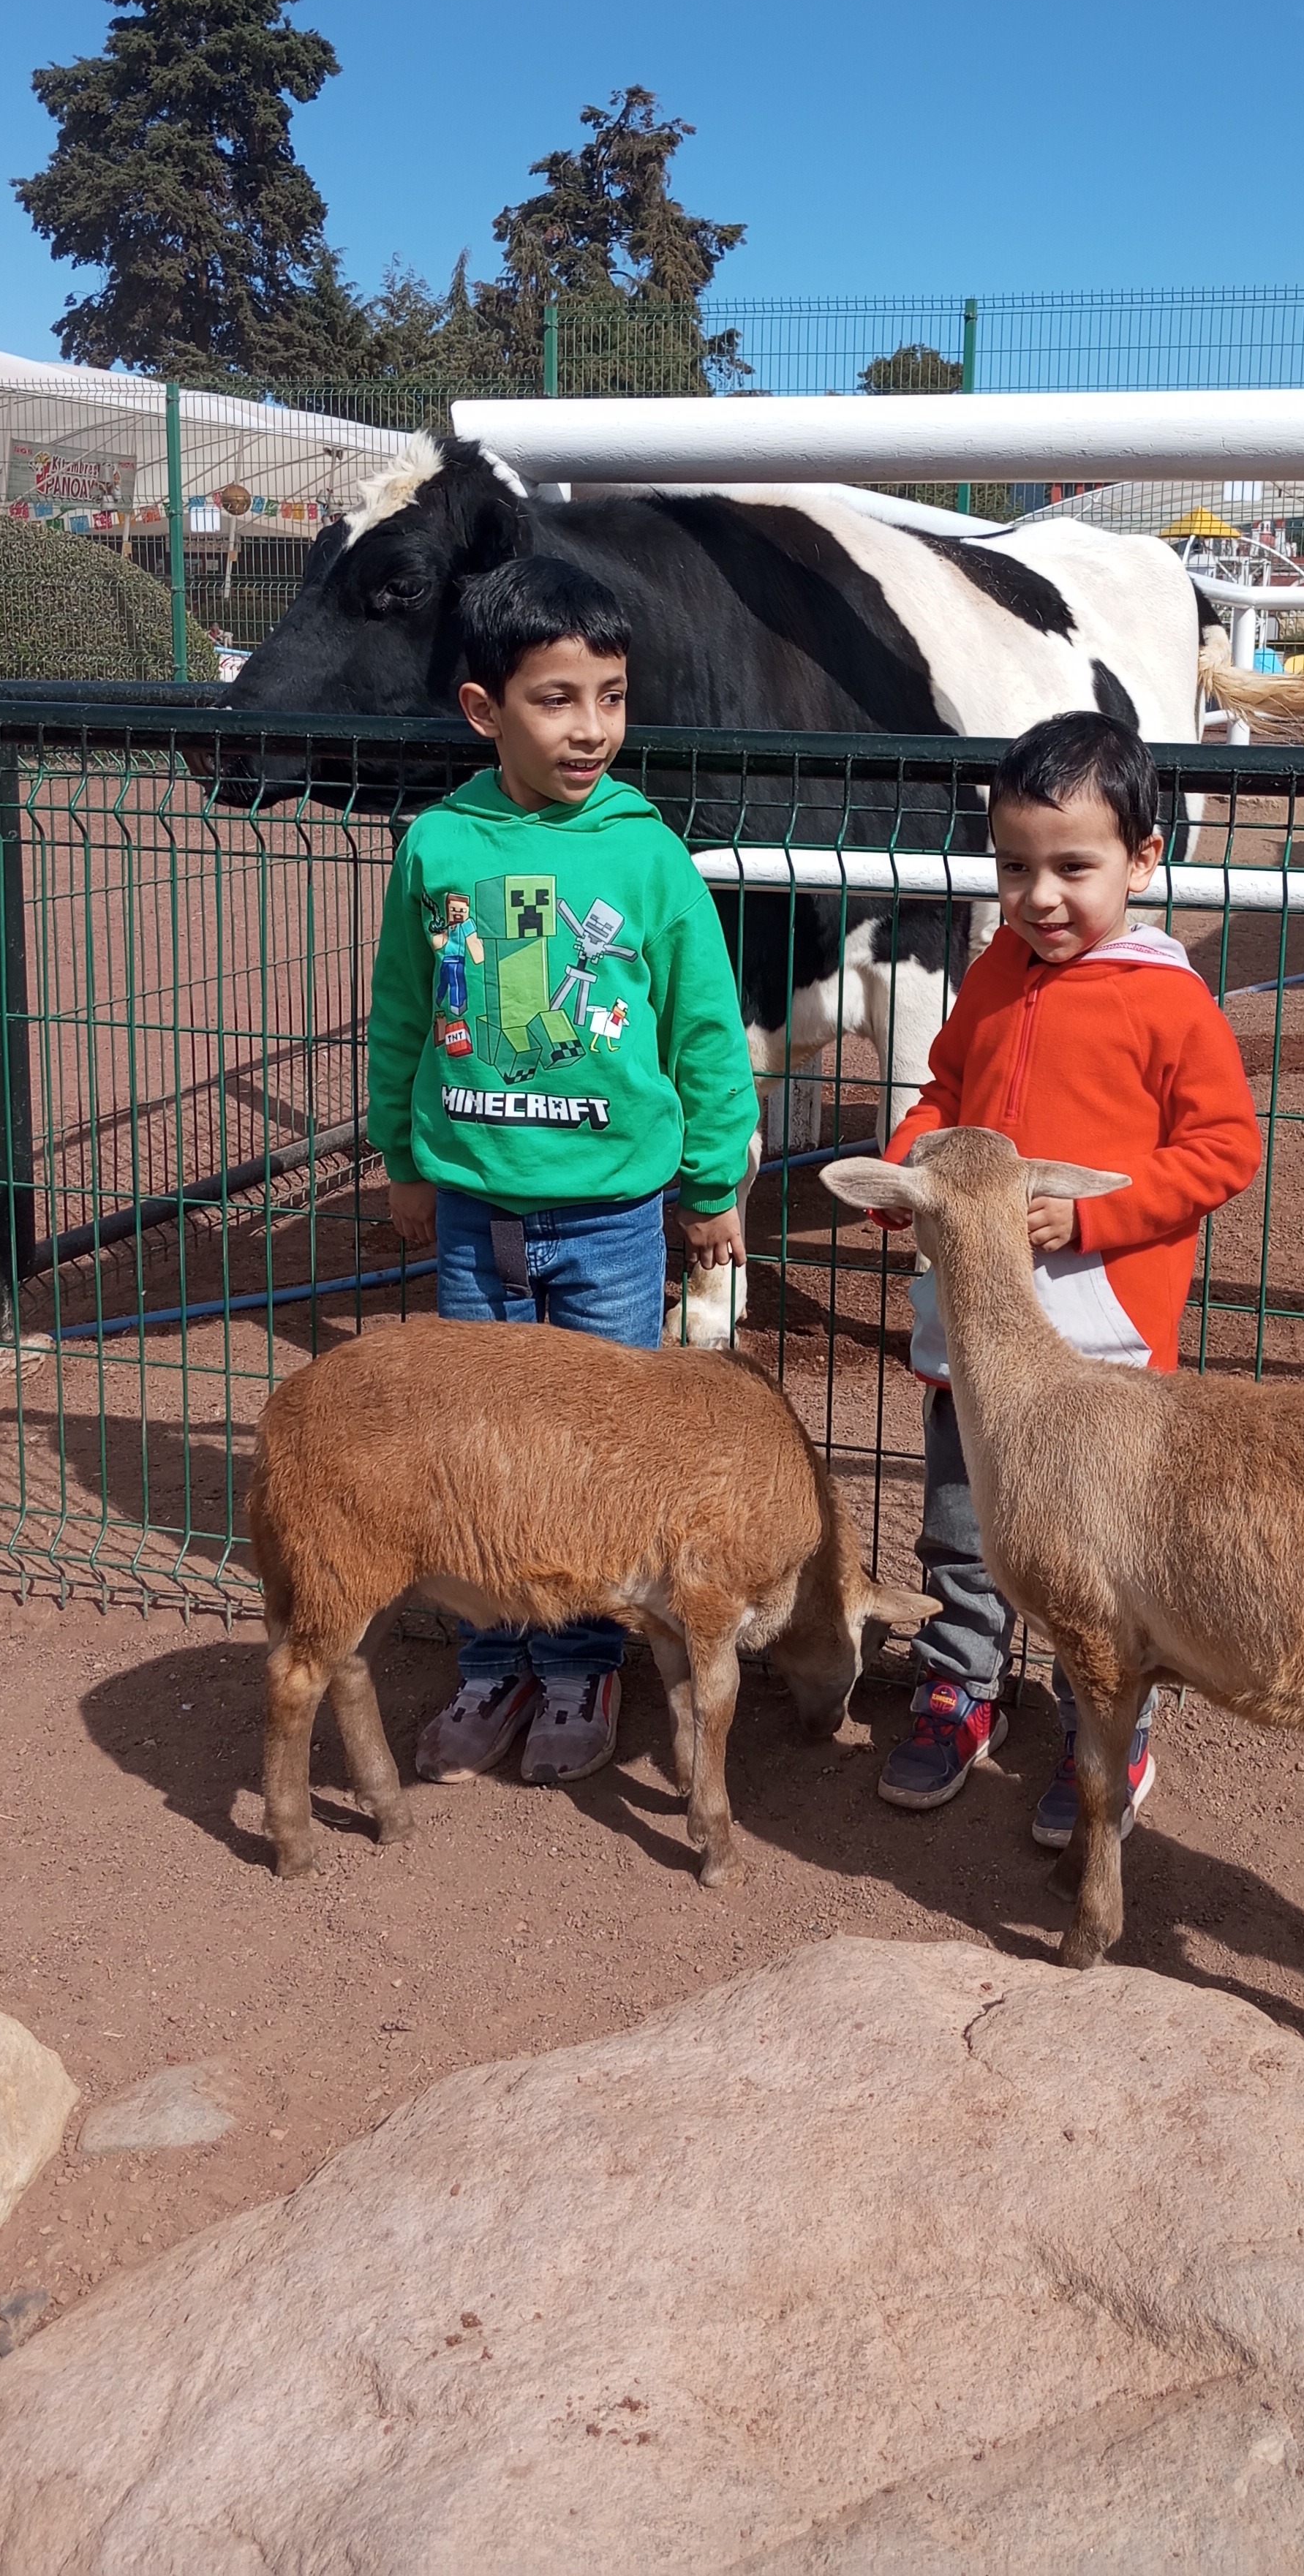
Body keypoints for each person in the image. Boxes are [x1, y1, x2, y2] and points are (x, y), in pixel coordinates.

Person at [368, 554, 758, 1788]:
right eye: (557, 699)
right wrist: (403, 1156)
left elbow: (705, 1028)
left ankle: (584, 1663)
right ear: (484, 709)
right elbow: (401, 1012)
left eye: (612, 696)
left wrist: (714, 1185)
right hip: (474, 1208)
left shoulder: (647, 858)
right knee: (480, 1445)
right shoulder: (439, 845)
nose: (591, 727)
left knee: (597, 1452)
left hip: (612, 1222)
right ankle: (495, 1661)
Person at [865, 709, 1262, 1840]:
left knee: (1103, 1553)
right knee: (964, 1524)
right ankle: (961, 1689)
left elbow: (1225, 1149)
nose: (1038, 898)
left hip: (1101, 1348)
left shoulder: (1168, 1000)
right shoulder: (996, 972)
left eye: (1072, 869)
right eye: (1014, 868)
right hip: (977, 1334)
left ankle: (1108, 1731)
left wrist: (1096, 1216)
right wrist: (911, 1171)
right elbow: (945, 1093)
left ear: (1143, 860)